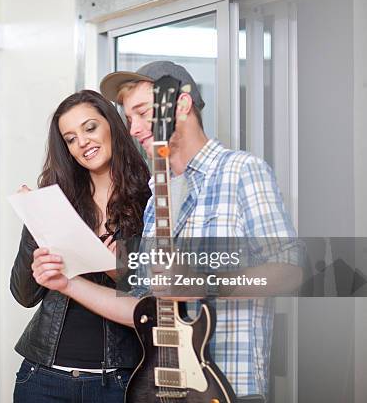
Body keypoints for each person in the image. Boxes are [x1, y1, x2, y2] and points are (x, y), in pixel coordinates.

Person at [30, 61, 302, 402]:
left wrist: (205, 281)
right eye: (129, 119)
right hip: (163, 390)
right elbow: (142, 307)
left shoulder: (241, 170)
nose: (134, 128)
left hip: (232, 386)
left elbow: (290, 272)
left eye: (144, 113)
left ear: (182, 105)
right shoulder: (156, 198)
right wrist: (67, 283)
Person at [10, 90, 151, 402]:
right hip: (42, 377)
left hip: (119, 382)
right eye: (70, 139)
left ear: (112, 126)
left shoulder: (151, 200)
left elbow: (157, 302)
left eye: (89, 128)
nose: (82, 143)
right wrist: (35, 219)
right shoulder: (56, 199)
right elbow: (24, 295)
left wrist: (119, 271)